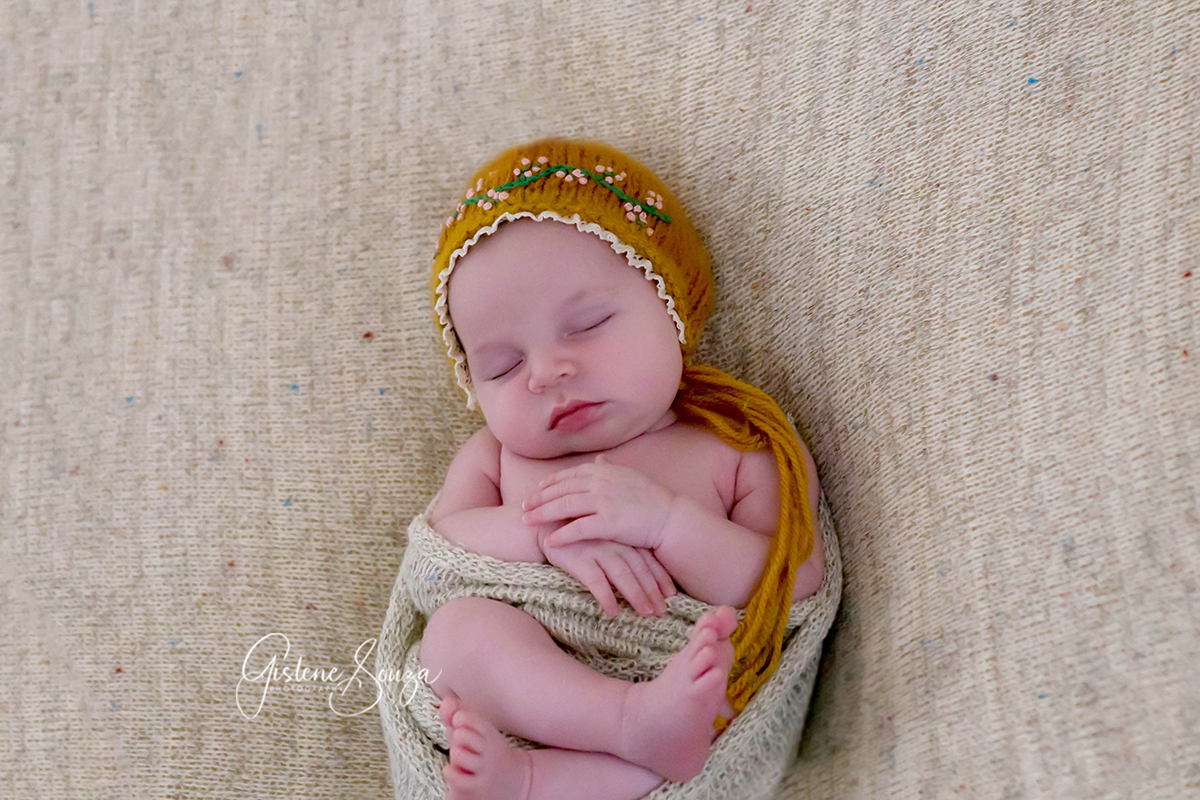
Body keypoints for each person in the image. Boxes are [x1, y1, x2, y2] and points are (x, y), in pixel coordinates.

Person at [415, 140, 825, 800]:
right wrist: (541, 539)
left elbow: (795, 579)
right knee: (453, 640)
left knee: (719, 689)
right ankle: (587, 744)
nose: (547, 371)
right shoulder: (496, 459)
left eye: (589, 323)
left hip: (683, 689)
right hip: (529, 705)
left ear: (671, 306)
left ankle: (592, 761)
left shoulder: (735, 444)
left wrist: (668, 524)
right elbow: (436, 558)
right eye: (502, 366)